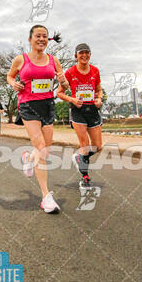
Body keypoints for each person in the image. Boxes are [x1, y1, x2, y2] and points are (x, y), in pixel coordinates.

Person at [7, 24, 68, 214]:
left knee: (45, 152)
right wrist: (14, 83)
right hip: (28, 106)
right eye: (37, 36)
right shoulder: (21, 59)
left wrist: (64, 83)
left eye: (44, 36)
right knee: (41, 147)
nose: (41, 39)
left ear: (47, 40)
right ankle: (46, 197)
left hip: (48, 105)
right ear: (30, 39)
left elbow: (62, 83)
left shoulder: (53, 60)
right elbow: (9, 76)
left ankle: (28, 157)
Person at [57, 43, 103, 188]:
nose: (84, 55)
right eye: (81, 53)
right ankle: (85, 178)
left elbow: (99, 90)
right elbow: (59, 93)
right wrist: (72, 100)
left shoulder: (95, 71)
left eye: (87, 52)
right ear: (76, 56)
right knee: (84, 145)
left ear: (90, 55)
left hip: (93, 111)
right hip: (78, 110)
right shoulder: (70, 72)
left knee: (97, 146)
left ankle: (79, 158)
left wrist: (99, 99)